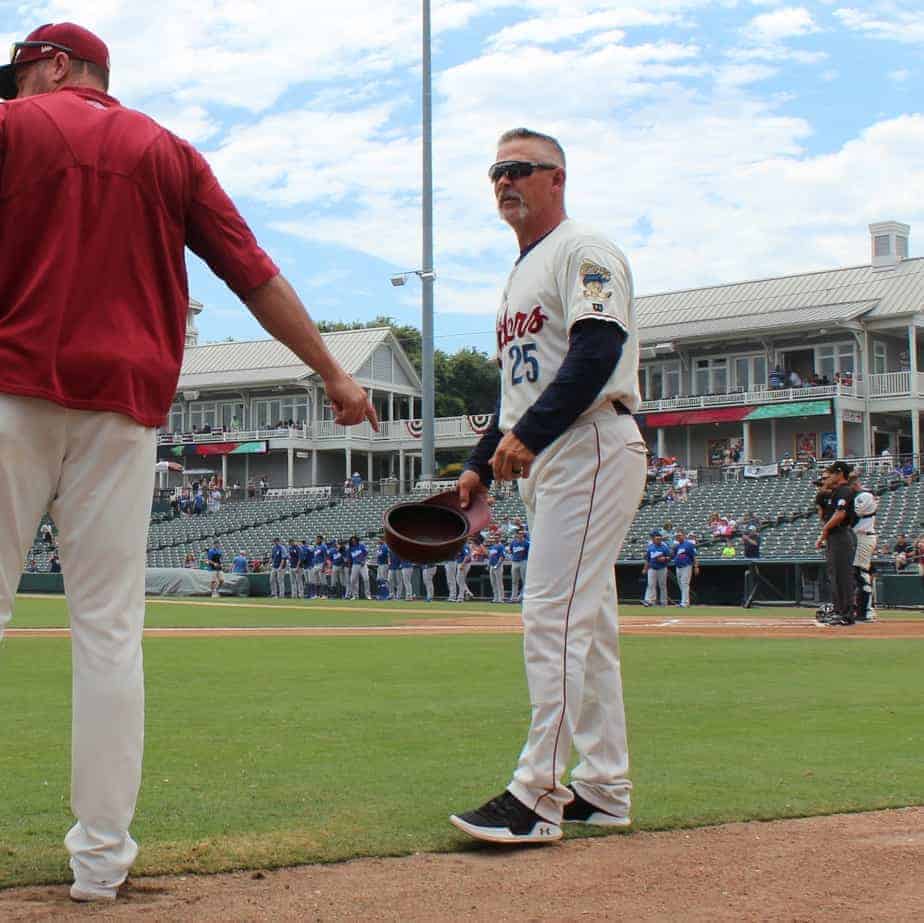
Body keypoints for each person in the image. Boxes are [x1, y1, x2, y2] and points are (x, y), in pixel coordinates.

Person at [450, 128, 645, 844]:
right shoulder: (517, 279)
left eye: (520, 169)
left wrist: (528, 437)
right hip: (554, 454)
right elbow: (513, 399)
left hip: (591, 438)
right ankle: (604, 782)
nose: (505, 181)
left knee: (553, 615)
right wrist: (478, 461)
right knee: (586, 630)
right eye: (496, 169)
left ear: (556, 178)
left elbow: (599, 348)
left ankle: (536, 793)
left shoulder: (582, 249)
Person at [815, 461, 858, 626]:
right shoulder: (837, 491)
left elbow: (840, 515)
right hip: (835, 536)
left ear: (840, 473)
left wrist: (824, 532)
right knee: (836, 576)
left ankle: (846, 614)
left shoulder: (844, 490)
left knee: (842, 576)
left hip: (840, 534)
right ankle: (839, 610)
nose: (830, 476)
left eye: (833, 473)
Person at [851, 488, 877, 622]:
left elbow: (857, 512)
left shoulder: (864, 495)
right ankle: (863, 609)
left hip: (864, 536)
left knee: (861, 573)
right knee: (858, 573)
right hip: (860, 537)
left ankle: (867, 611)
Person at [671, 529, 698, 608]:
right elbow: (673, 555)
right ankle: (685, 602)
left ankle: (684, 603)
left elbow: (694, 556)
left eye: (679, 536)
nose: (678, 537)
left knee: (685, 584)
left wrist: (696, 566)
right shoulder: (677, 546)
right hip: (678, 567)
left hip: (686, 566)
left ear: (684, 536)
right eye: (677, 536)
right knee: (681, 584)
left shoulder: (689, 544)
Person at [642, 531, 669, 606]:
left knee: (662, 585)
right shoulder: (650, 547)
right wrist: (645, 568)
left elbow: (670, 557)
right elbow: (647, 559)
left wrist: (665, 558)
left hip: (662, 568)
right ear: (654, 539)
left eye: (659, 539)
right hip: (652, 568)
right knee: (651, 585)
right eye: (656, 539)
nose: (658, 540)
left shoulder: (664, 547)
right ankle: (650, 601)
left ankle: (664, 602)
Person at [508, 528, 530, 602]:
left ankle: (522, 597)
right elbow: (511, 551)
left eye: (521, 533)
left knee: (524, 580)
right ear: (516, 534)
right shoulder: (513, 542)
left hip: (523, 561)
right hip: (515, 561)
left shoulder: (526, 543)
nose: (520, 534)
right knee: (514, 581)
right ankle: (513, 597)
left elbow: (529, 553)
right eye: (519, 533)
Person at [488, 539, 507, 603]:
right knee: (493, 583)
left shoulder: (501, 546)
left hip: (498, 566)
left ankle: (501, 598)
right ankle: (495, 598)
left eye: (496, 537)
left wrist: (498, 565)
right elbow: (490, 556)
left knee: (499, 582)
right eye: (493, 537)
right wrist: (489, 565)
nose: (494, 538)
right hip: (492, 566)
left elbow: (502, 556)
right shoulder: (492, 546)